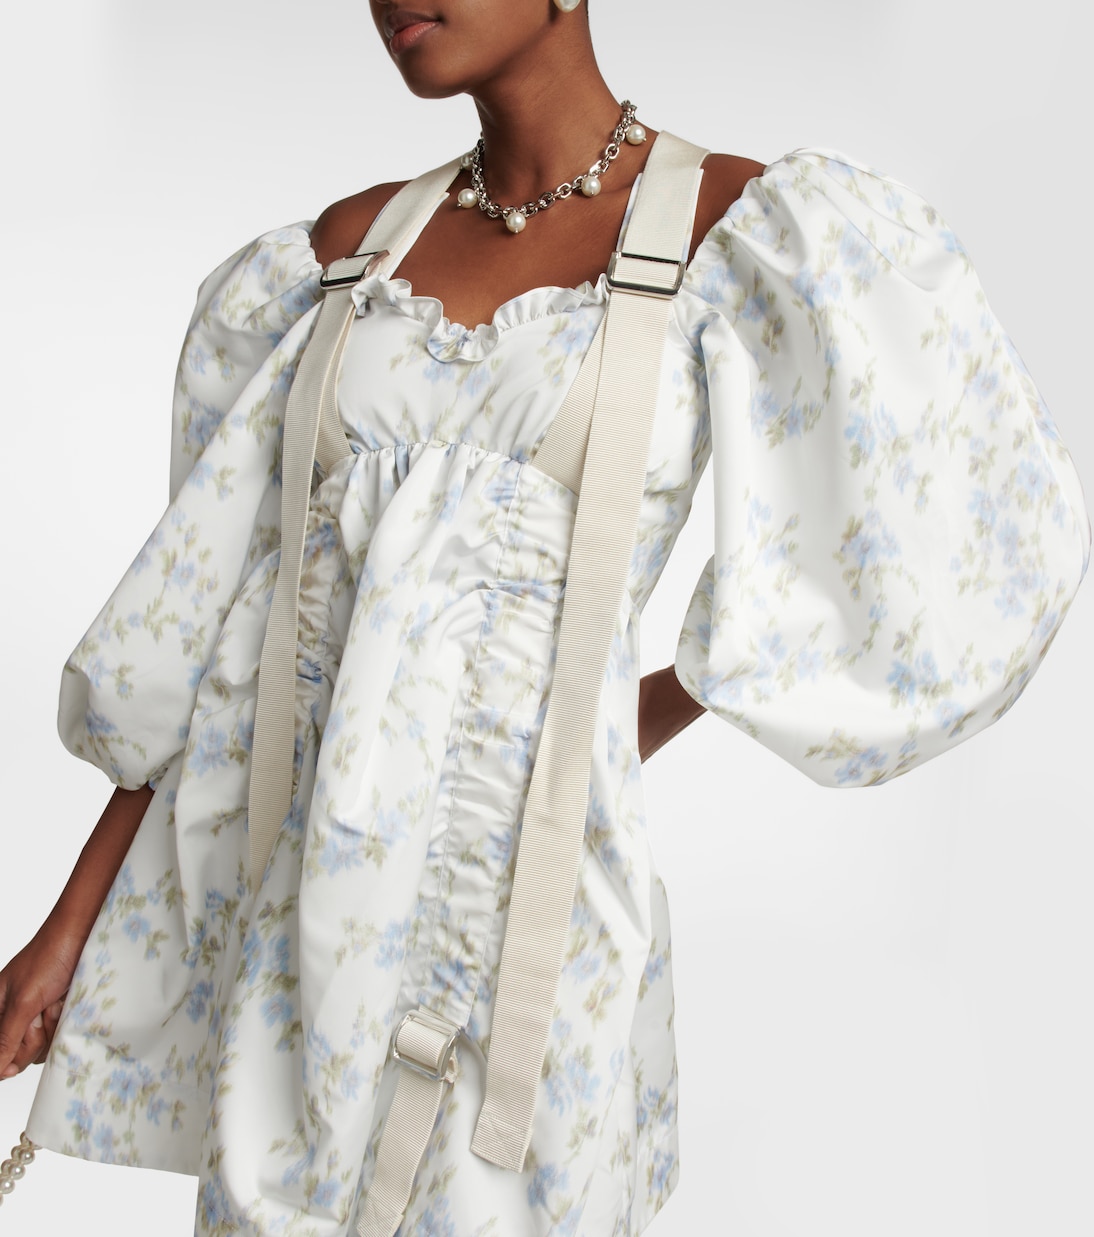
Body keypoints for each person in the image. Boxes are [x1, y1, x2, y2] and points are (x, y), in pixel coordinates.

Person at [0, 0, 1089, 1233]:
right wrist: (68, 926)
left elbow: (950, 543)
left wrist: (630, 712)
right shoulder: (339, 259)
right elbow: (209, 625)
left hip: (532, 925)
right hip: (299, 923)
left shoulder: (739, 233)